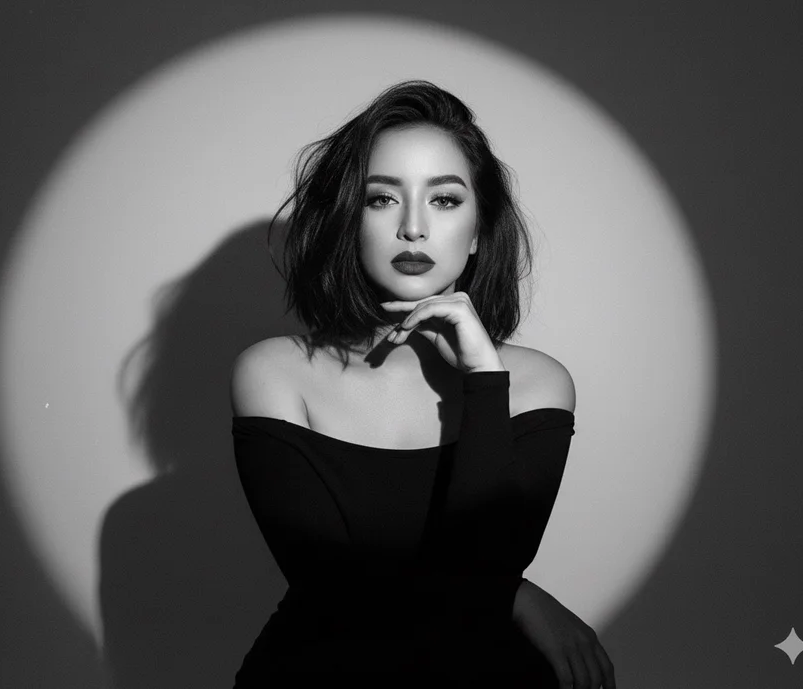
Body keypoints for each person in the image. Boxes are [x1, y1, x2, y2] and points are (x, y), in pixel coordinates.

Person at [229, 80, 615, 687]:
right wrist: (522, 596)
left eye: (445, 200)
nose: (413, 228)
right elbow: (337, 594)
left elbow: (482, 574)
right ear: (347, 221)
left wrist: (484, 380)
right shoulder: (276, 372)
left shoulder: (536, 384)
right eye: (382, 199)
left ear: (479, 230)